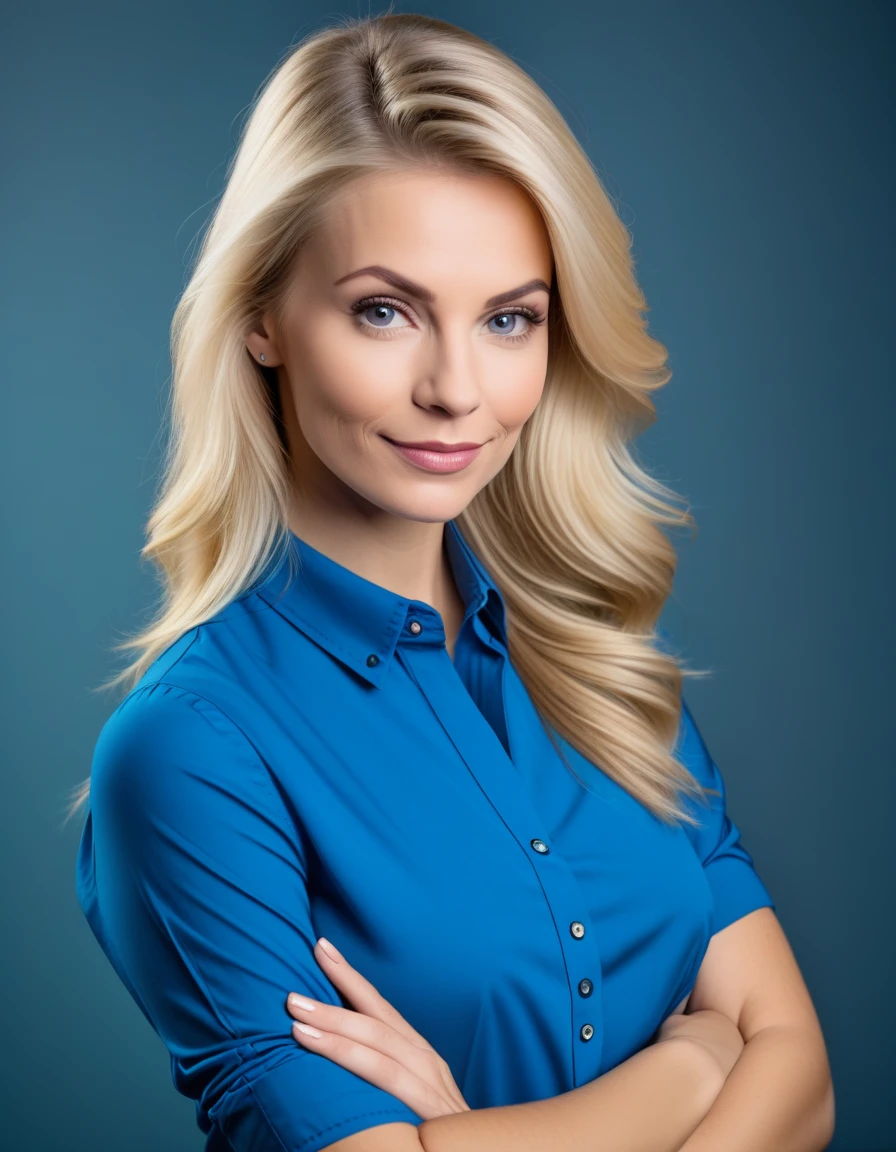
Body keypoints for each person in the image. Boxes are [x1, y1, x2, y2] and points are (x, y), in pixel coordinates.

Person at [70, 12, 834, 1152]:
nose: (455, 389)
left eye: (508, 319)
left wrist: (468, 1137)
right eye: (385, 311)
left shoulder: (596, 666)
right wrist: (689, 1069)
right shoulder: (189, 752)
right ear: (263, 318)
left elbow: (807, 1087)